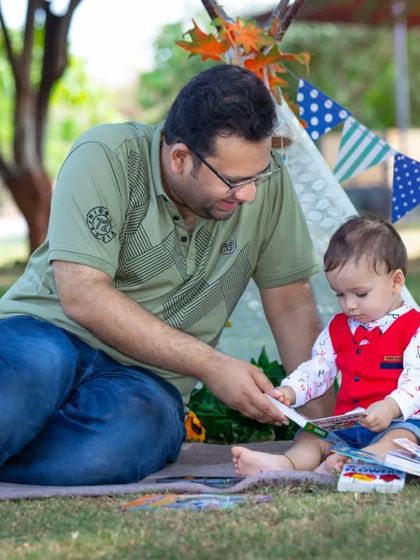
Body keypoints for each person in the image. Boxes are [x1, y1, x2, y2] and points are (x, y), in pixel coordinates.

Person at [0, 64, 324, 486]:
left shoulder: (269, 184)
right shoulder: (105, 156)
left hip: (149, 380)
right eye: (234, 181)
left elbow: (292, 304)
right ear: (180, 157)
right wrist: (211, 365)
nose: (249, 194)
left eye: (257, 175)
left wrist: (321, 430)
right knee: (30, 375)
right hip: (48, 332)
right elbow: (82, 296)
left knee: (125, 440)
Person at [232, 216, 420, 476]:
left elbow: (416, 381)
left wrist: (391, 406)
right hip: (347, 424)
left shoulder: (414, 327)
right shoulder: (338, 328)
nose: (349, 305)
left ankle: (362, 462)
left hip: (399, 420)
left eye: (360, 294)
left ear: (396, 281)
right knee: (310, 437)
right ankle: (283, 466)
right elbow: (317, 370)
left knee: (402, 440)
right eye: (340, 294)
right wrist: (290, 391)